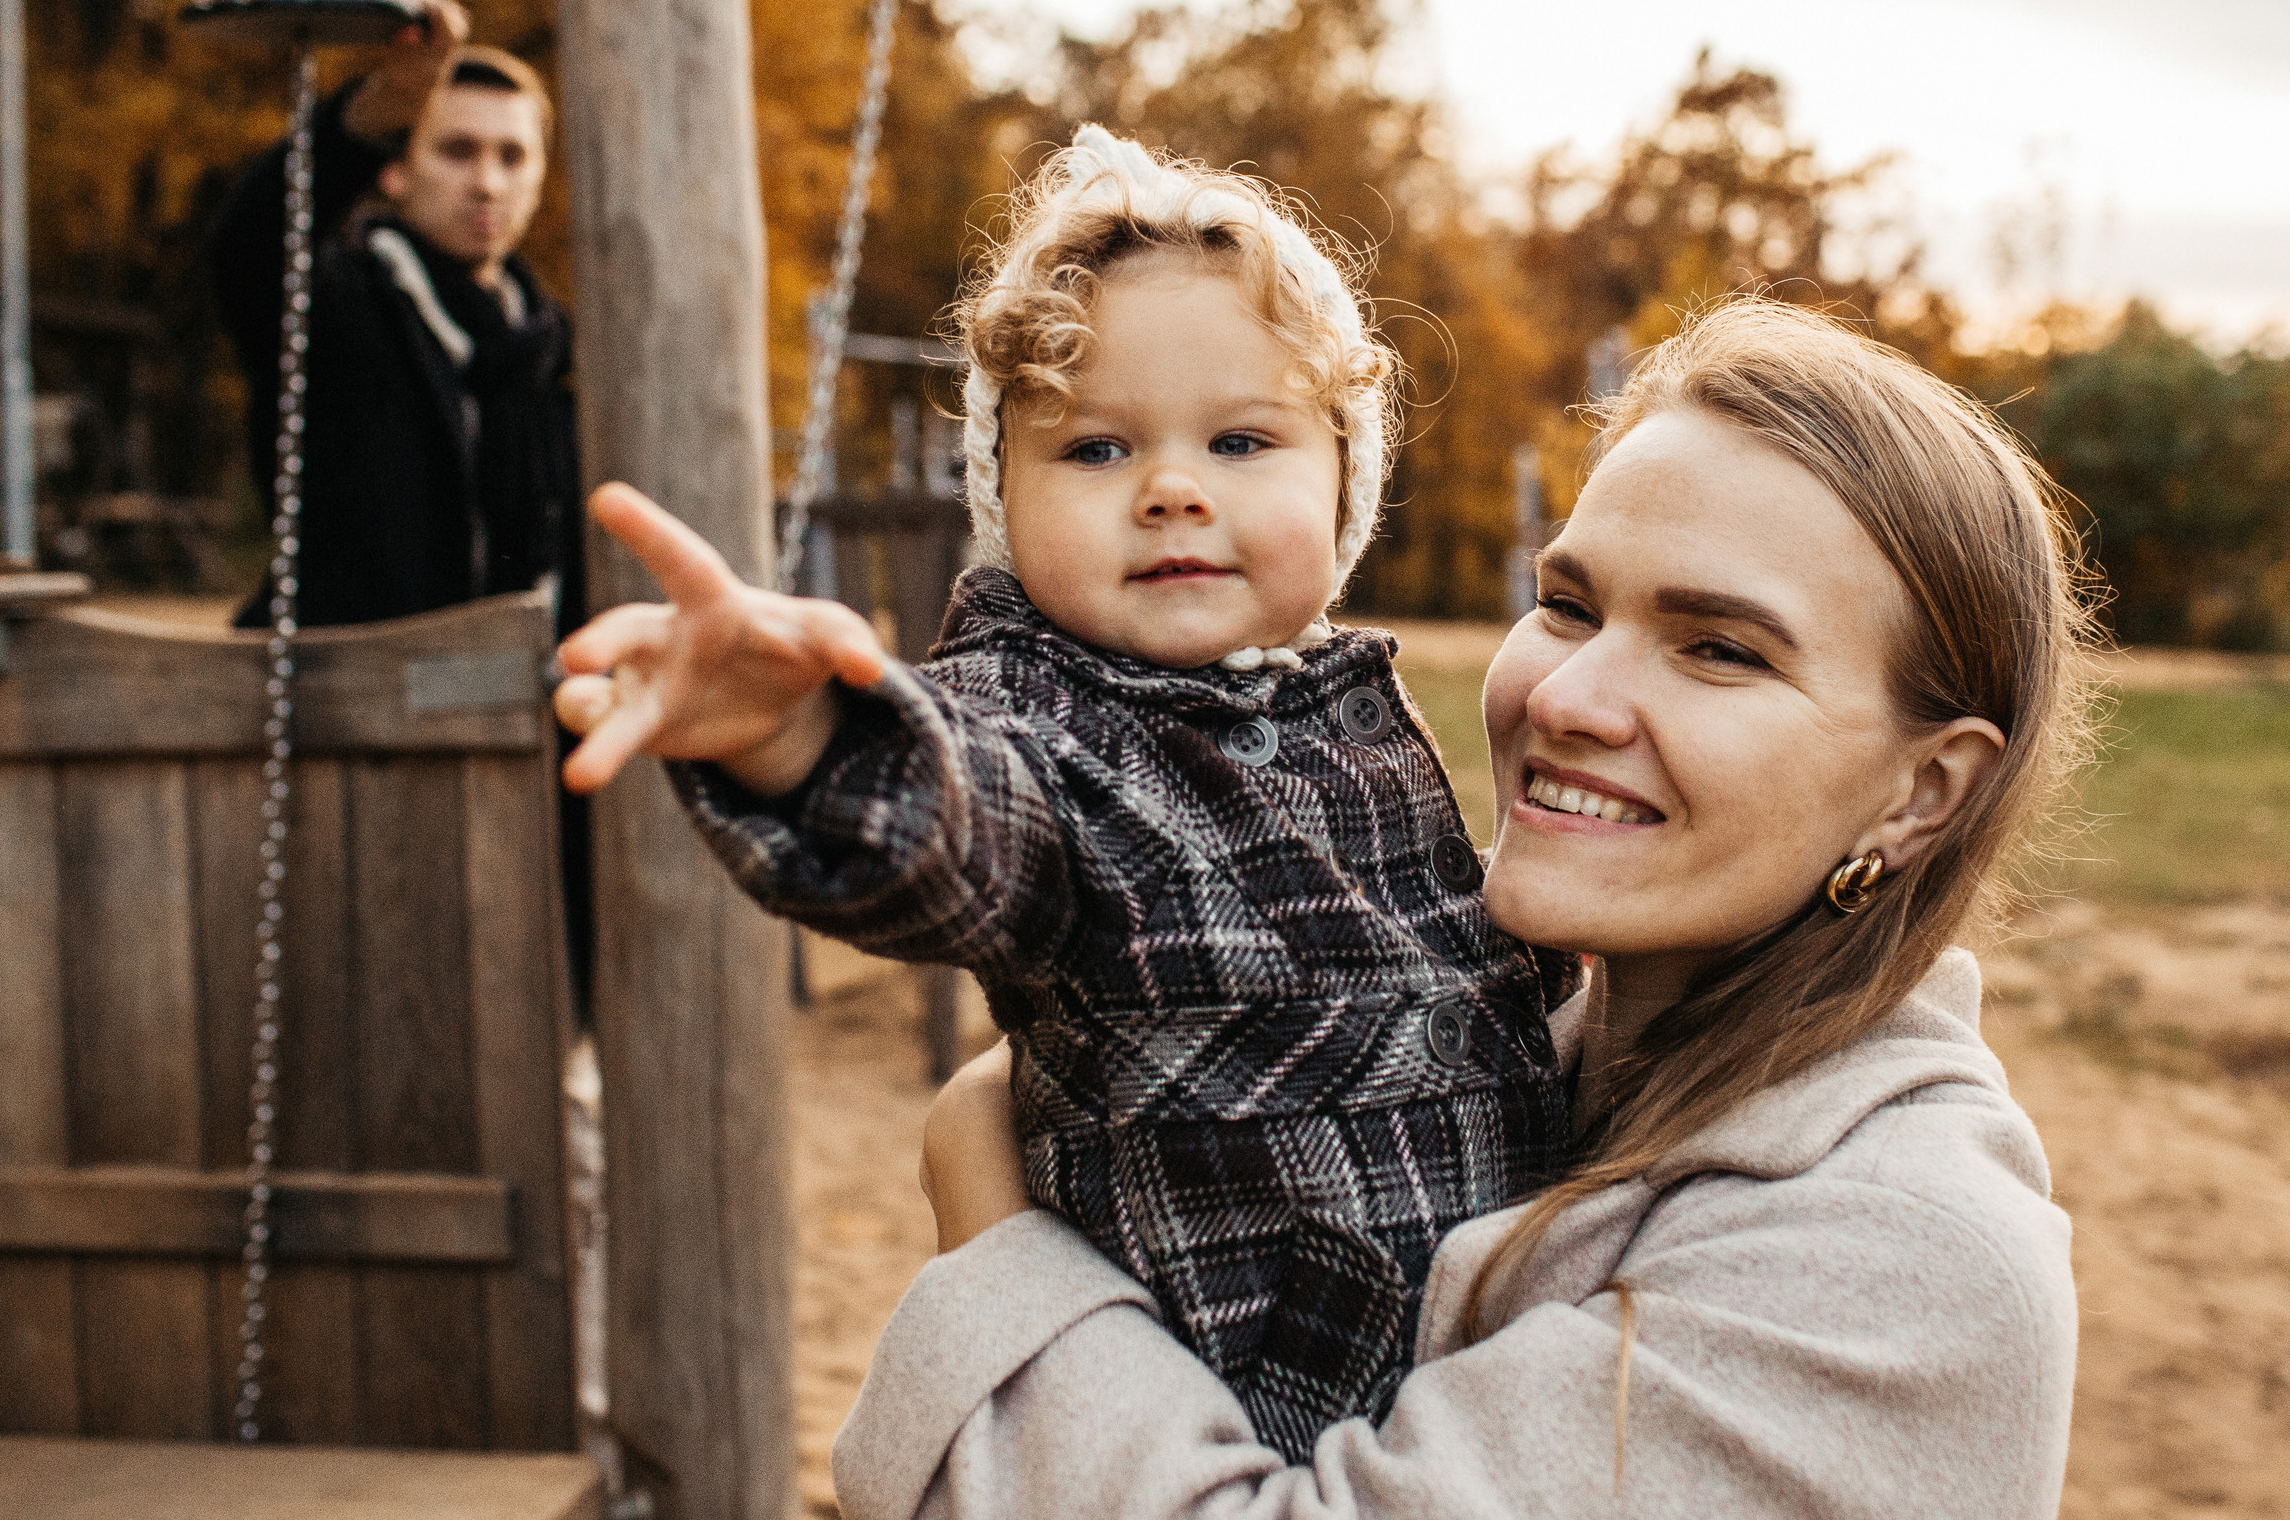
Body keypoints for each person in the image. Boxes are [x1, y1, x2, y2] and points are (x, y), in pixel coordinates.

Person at [851, 299, 2090, 1518]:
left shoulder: (1906, 1264)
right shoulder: (1514, 1068)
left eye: (1719, 649)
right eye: (1568, 606)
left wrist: (994, 1227)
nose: (1571, 699)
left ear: (1920, 793)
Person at [554, 129, 1572, 1458]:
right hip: (1214, 1397)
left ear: (1343, 481)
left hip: (1475, 1365)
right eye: (1094, 450)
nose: (1170, 489)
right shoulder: (1035, 717)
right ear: (1007, 497)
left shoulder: (1361, 717)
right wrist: (802, 734)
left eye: (1241, 438)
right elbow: (955, 830)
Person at [209, 0, 594, 1008]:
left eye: (513, 156)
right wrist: (376, 99)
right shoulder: (331, 306)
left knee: (529, 1025)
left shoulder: (549, 355)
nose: (487, 182)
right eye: (455, 149)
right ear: (397, 164)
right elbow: (246, 240)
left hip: (527, 744)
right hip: (353, 743)